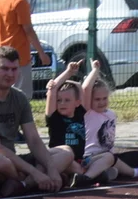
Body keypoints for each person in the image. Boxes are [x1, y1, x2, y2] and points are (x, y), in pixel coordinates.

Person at [0, 46, 70, 196]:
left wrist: (52, 169)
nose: (10, 74)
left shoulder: (19, 98)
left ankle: (23, 185)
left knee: (65, 152)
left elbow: (33, 139)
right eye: (4, 68)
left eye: (14, 69)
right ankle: (29, 180)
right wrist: (35, 172)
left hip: (12, 160)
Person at [80, 61, 138, 181]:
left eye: (104, 98)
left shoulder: (111, 114)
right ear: (89, 100)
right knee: (110, 159)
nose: (102, 102)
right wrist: (95, 70)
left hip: (109, 157)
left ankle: (103, 174)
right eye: (97, 99)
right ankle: (135, 173)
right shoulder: (88, 114)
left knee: (136, 157)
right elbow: (86, 88)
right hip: (89, 158)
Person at [44, 59, 104, 188]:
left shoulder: (81, 113)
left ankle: (82, 176)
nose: (62, 103)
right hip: (64, 159)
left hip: (82, 160)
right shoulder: (54, 118)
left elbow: (86, 88)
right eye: (59, 100)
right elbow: (53, 90)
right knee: (73, 164)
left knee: (108, 157)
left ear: (77, 102)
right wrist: (68, 72)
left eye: (67, 100)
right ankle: (88, 176)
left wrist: (95, 70)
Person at [0, 0, 50, 97]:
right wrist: (41, 53)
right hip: (19, 57)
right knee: (22, 97)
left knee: (5, 95)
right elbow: (28, 30)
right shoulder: (20, 2)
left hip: (2, 54)